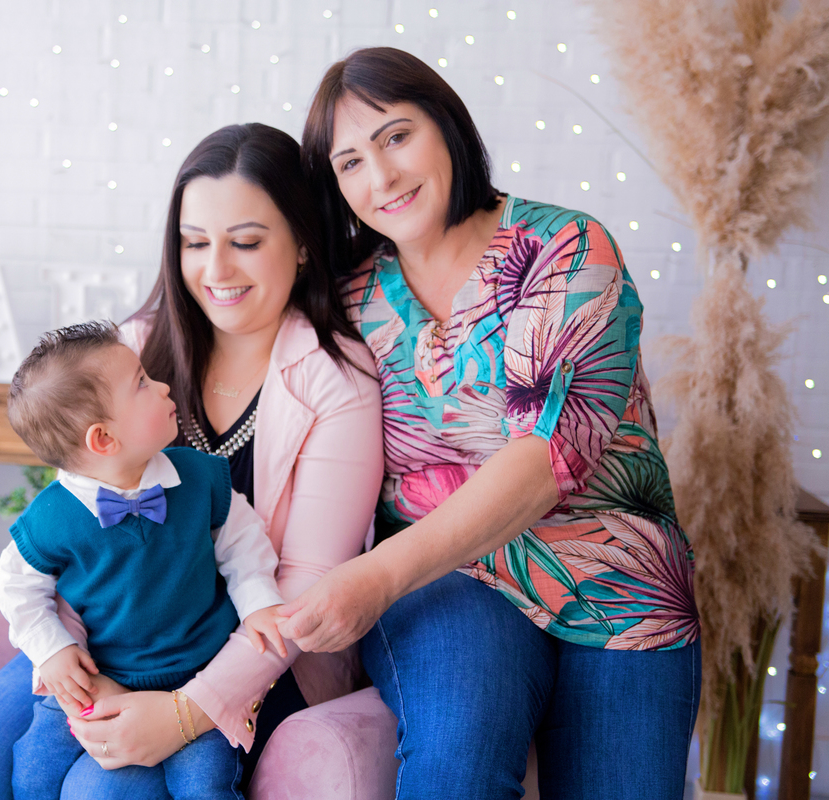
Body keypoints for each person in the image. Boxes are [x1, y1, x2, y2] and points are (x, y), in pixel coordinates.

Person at [274, 46, 703, 799]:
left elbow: (545, 459)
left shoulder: (566, 249)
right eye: (349, 163)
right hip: (449, 580)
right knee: (457, 767)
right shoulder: (346, 301)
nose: (381, 178)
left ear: (446, 126)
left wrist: (371, 578)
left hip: (620, 584)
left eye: (396, 137)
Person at [0, 123, 384, 799]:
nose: (216, 270)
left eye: (247, 243)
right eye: (195, 243)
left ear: (306, 243)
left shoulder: (336, 383)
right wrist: (86, 666)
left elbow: (303, 595)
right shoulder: (135, 348)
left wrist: (181, 714)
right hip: (112, 641)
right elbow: (83, 524)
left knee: (107, 791)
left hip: (248, 656)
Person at [0, 320, 290, 800]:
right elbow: (17, 589)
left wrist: (258, 602)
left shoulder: (200, 478)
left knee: (205, 782)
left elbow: (243, 545)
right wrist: (50, 649)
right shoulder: (51, 517)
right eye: (141, 384)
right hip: (98, 676)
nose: (163, 385)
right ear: (104, 440)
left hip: (197, 671)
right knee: (33, 768)